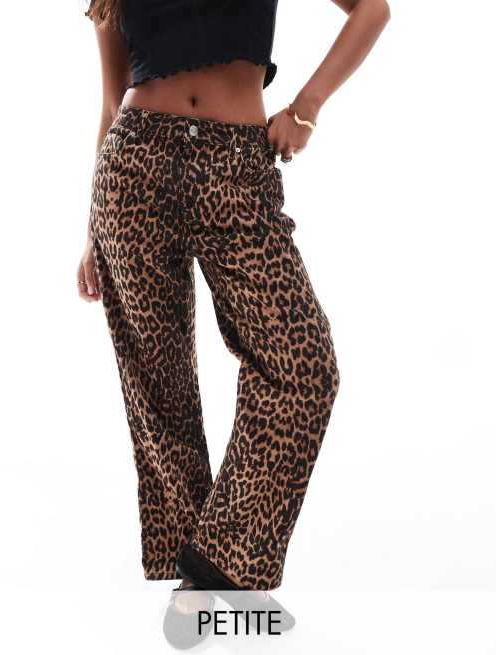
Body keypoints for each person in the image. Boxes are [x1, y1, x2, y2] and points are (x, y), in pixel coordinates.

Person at [78, 0, 390, 637]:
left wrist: (306, 107)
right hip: (133, 170)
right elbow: (112, 102)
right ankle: (202, 592)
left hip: (237, 168)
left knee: (304, 369)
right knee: (158, 384)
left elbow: (372, 10)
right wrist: (91, 232)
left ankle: (217, 568)